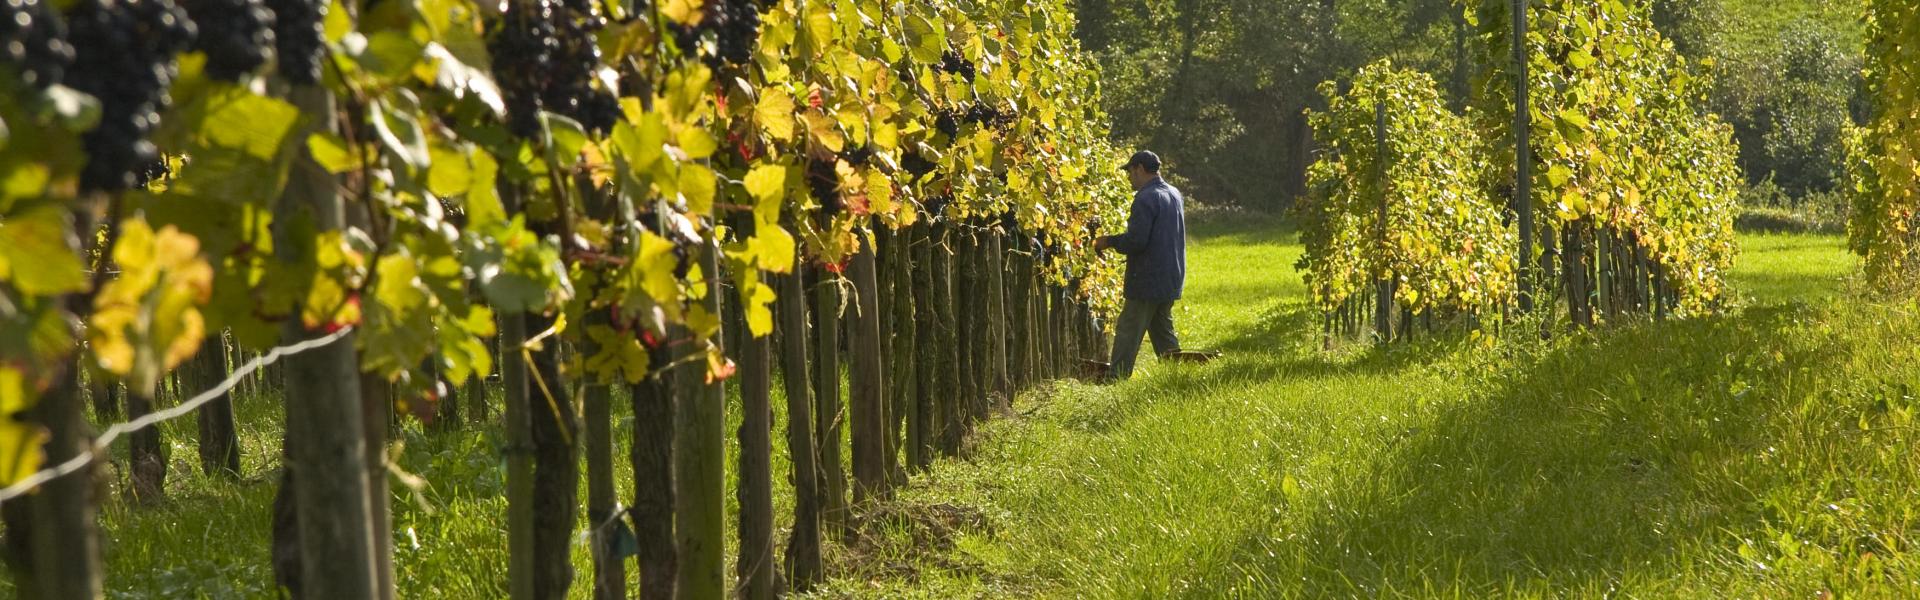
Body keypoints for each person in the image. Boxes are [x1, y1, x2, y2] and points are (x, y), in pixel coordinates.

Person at [1093, 150, 1186, 381]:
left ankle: (1116, 380)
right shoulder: (1174, 194)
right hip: (1171, 276)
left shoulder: (1146, 198)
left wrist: (1109, 241)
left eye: (1131, 172)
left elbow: (1137, 240)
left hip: (1147, 278)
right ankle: (1176, 378)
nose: (1129, 178)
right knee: (1163, 331)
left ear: (1141, 169)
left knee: (1128, 330)